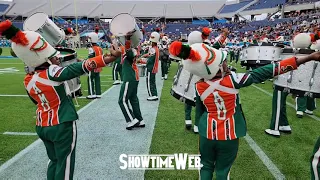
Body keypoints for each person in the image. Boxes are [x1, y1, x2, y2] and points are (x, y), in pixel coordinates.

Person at [169, 37, 320, 180]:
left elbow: (200, 112)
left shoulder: (199, 87)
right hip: (230, 134)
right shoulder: (234, 80)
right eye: (224, 62)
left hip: (206, 133)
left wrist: (200, 128)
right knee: (223, 171)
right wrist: (308, 57)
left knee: (205, 167)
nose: (226, 63)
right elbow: (267, 71)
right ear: (218, 66)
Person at [1, 20, 121, 180]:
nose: (57, 58)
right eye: (53, 55)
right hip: (62, 123)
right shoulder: (52, 72)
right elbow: (76, 68)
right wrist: (109, 58)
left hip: (42, 125)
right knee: (65, 163)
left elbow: (35, 101)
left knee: (54, 161)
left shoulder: (28, 80)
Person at [118, 32, 145, 130]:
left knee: (122, 100)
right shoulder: (135, 49)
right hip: (134, 77)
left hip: (129, 78)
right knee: (133, 99)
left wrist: (127, 39)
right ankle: (140, 119)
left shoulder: (131, 51)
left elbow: (127, 50)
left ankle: (132, 119)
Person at [141, 32, 160, 101]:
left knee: (149, 81)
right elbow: (149, 54)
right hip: (154, 68)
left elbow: (150, 60)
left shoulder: (153, 49)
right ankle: (154, 94)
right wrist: (143, 56)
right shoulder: (156, 48)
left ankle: (152, 95)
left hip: (151, 68)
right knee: (152, 81)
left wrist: (142, 61)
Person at [87, 31, 103, 99]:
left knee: (90, 79)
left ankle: (91, 93)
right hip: (99, 65)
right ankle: (98, 93)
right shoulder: (100, 48)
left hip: (93, 66)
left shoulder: (91, 48)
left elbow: (90, 58)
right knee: (97, 79)